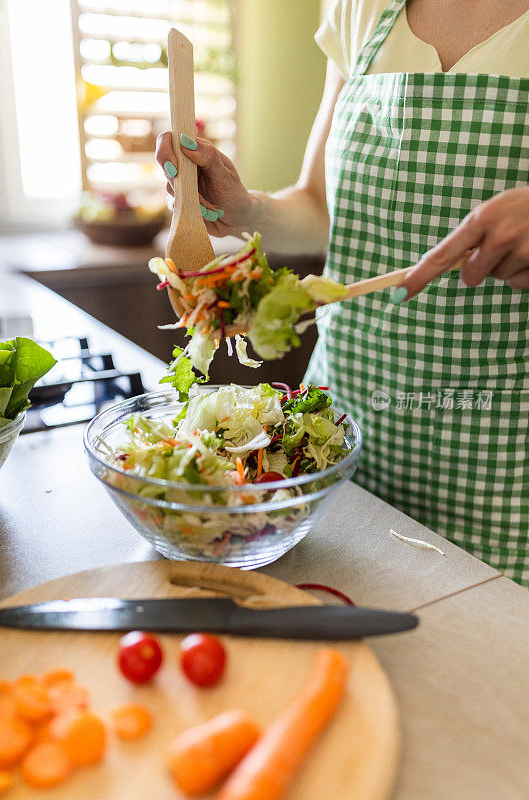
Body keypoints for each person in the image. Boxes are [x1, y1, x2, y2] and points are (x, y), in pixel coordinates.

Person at [156, 0, 529, 585]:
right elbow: (322, 209)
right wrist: (245, 208)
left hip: (503, 460)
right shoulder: (363, 7)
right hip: (341, 432)